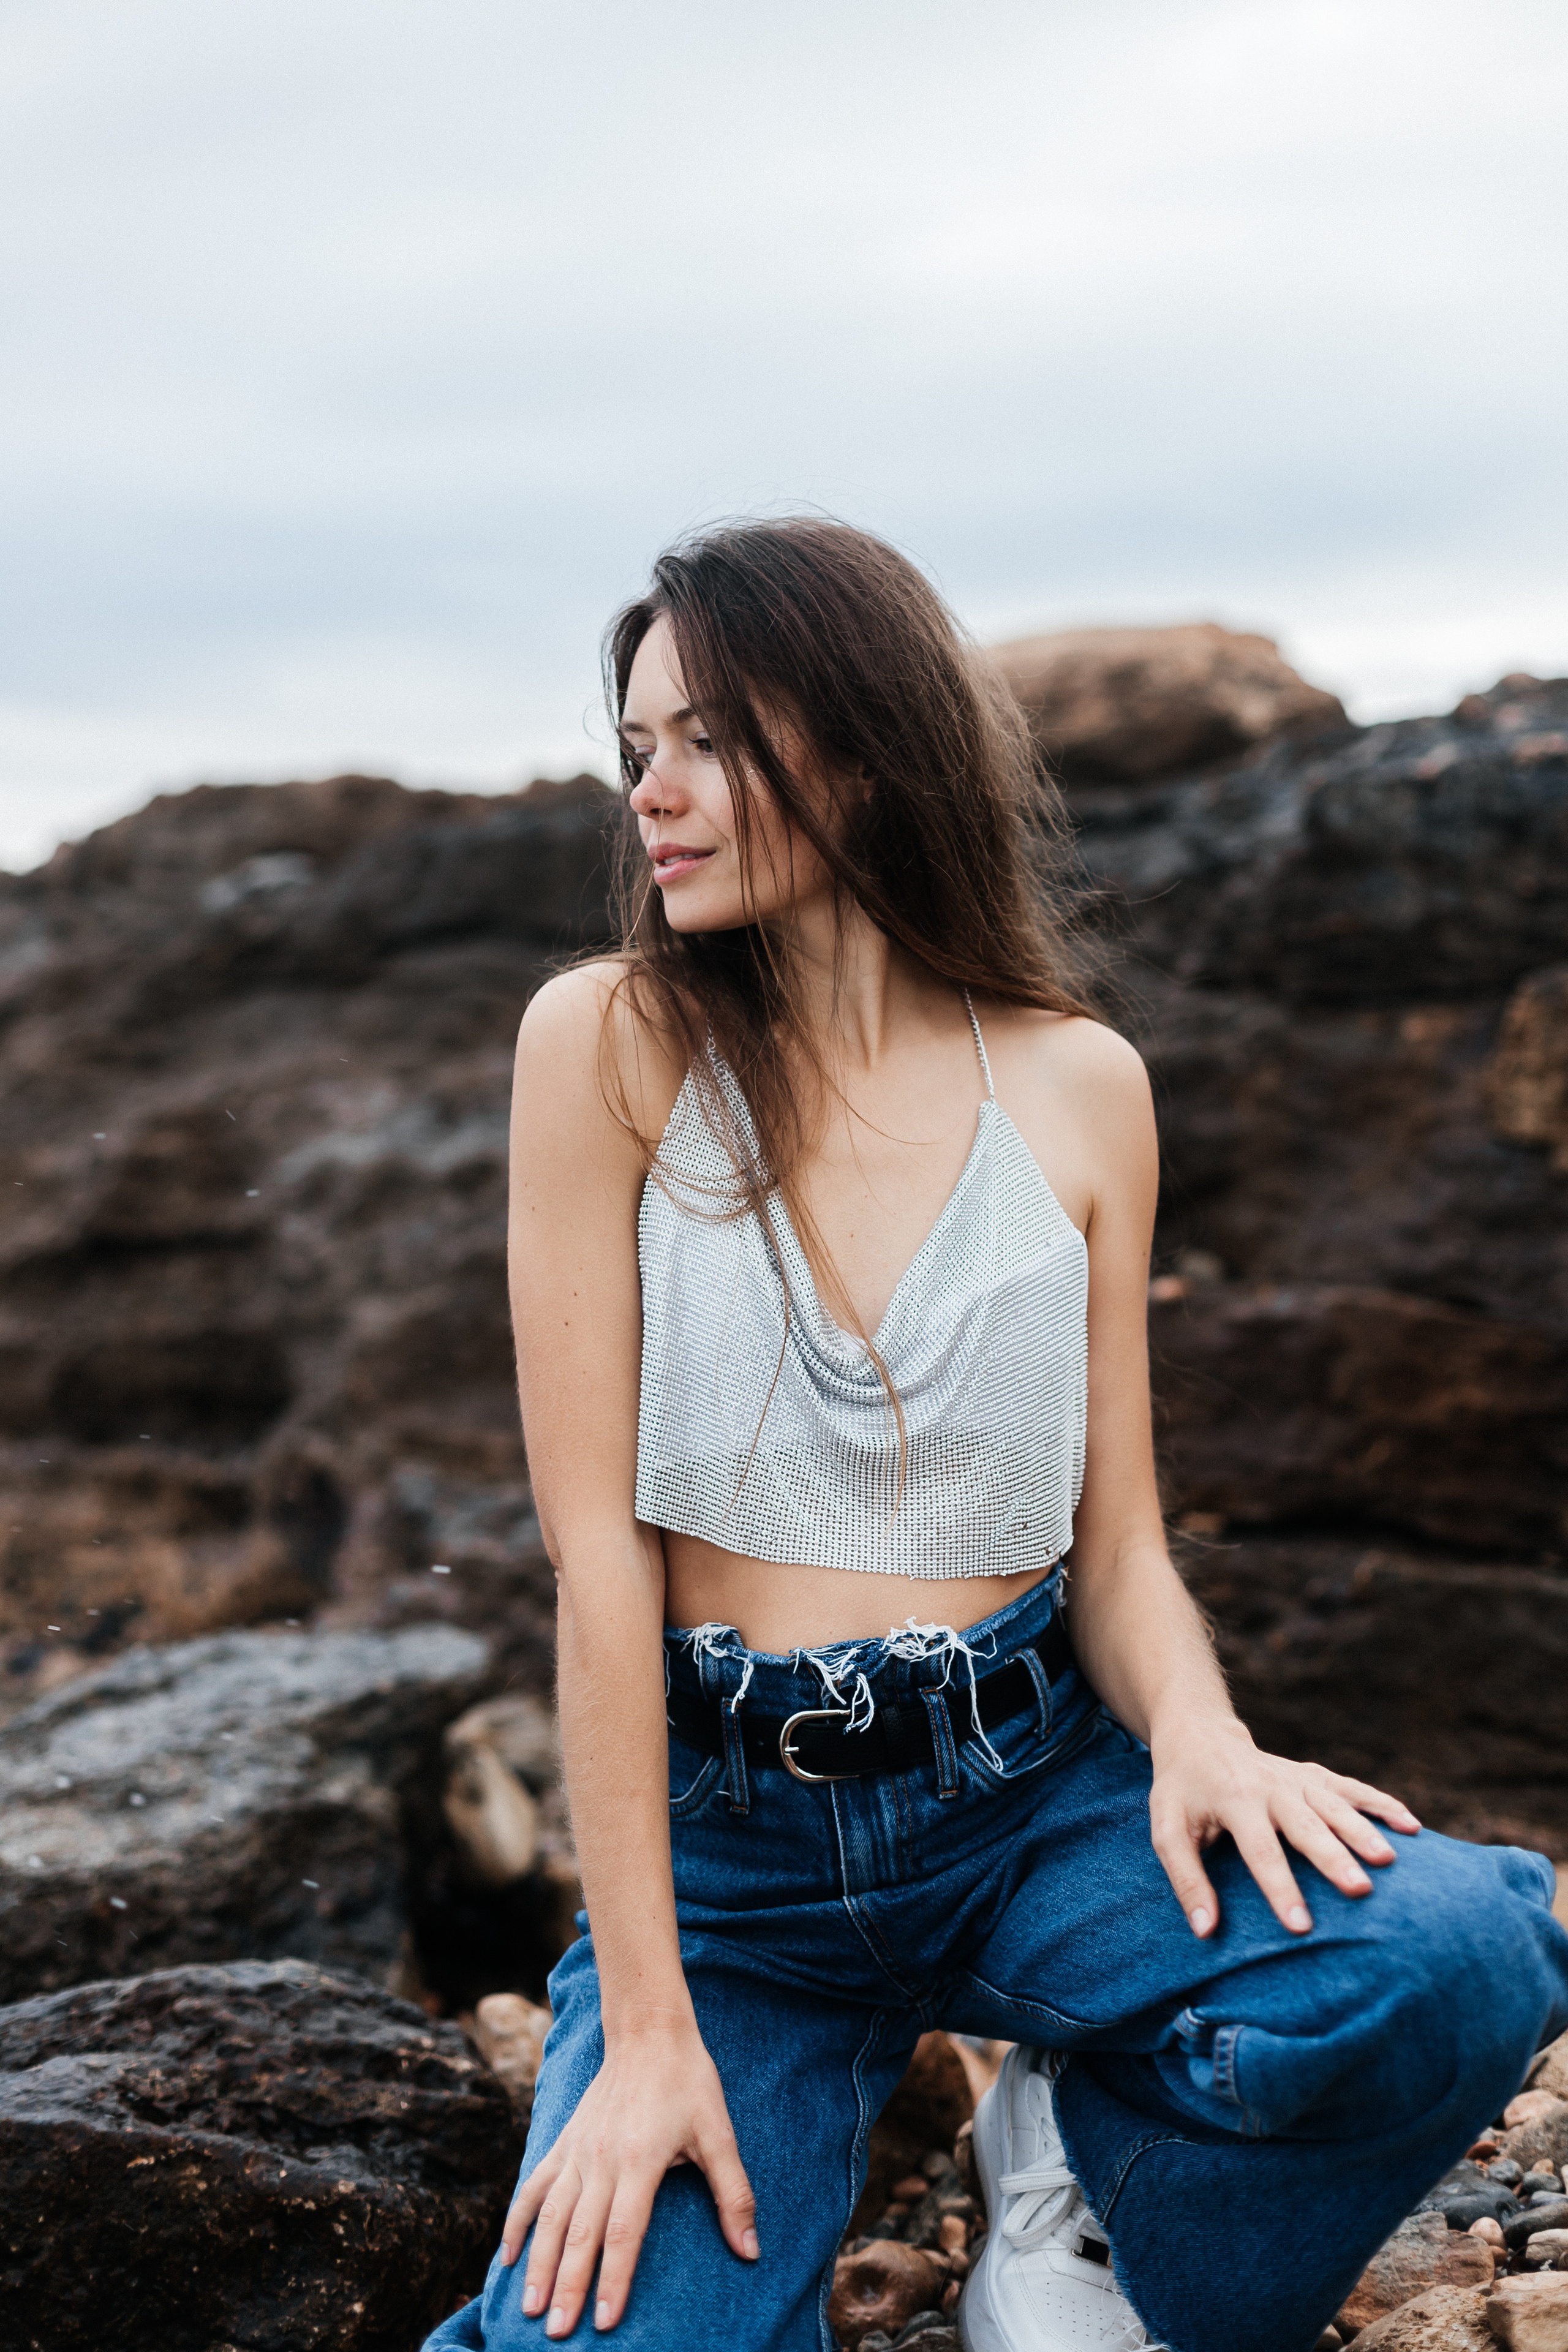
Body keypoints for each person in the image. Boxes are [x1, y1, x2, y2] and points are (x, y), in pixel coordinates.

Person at [424, 519, 1567, 2352]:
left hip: (1032, 1800)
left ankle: (1095, 2202)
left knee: (1465, 1955)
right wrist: (646, 2026)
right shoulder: (610, 1046)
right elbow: (595, 1566)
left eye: (710, 738)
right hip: (740, 1885)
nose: (656, 791)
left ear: (868, 749)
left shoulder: (1082, 1086)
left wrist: (1201, 1733)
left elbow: (1114, 1544)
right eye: (636, 747)